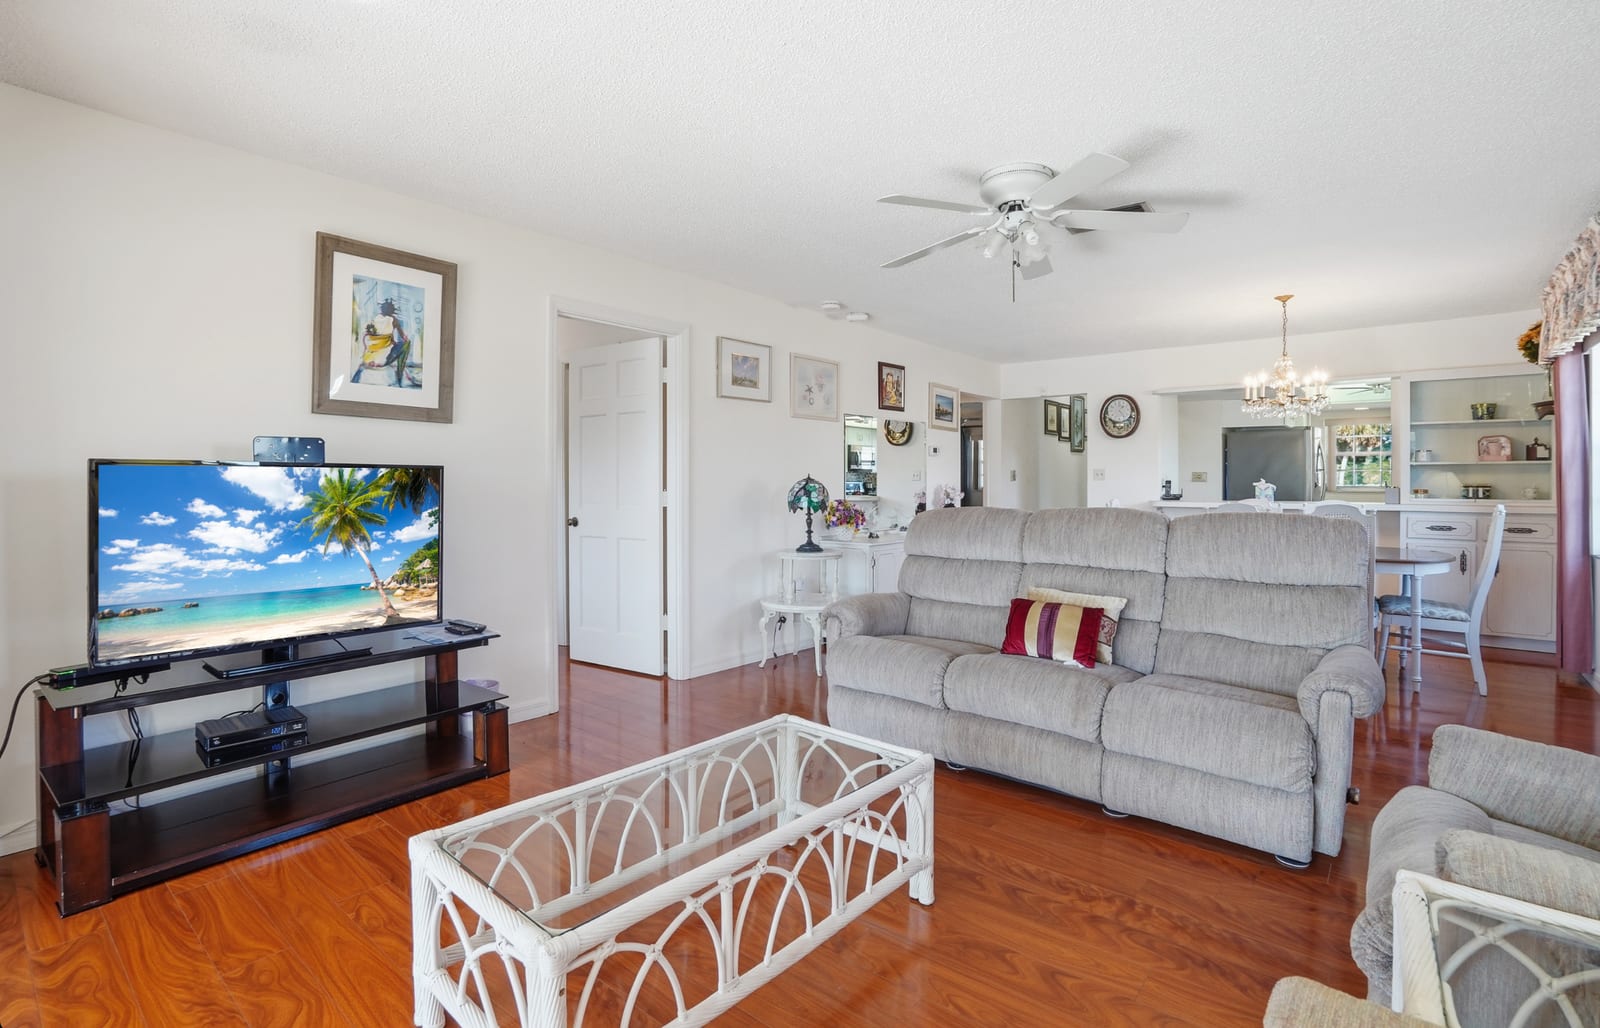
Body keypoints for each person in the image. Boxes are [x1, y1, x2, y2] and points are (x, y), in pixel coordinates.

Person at [354, 298, 412, 387]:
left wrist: (392, 341)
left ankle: (355, 379)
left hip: (369, 358)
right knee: (405, 344)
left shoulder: (375, 319)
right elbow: (404, 337)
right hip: (384, 359)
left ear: (382, 309)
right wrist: (406, 341)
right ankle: (399, 374)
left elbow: (375, 335)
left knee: (388, 344)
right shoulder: (394, 320)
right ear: (392, 310)